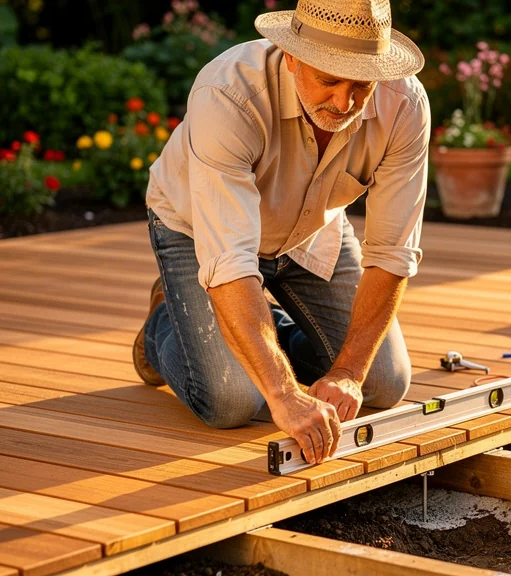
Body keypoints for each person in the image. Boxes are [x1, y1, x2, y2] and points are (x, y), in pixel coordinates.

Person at [132, 0, 430, 466]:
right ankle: (163, 324)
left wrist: (348, 373)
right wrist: (284, 394)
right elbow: (229, 258)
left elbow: (393, 252)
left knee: (382, 384)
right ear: (291, 56)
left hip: (310, 233)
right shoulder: (227, 93)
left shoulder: (405, 104)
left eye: (361, 85)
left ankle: (260, 328)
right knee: (233, 402)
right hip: (199, 233)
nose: (344, 103)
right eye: (329, 80)